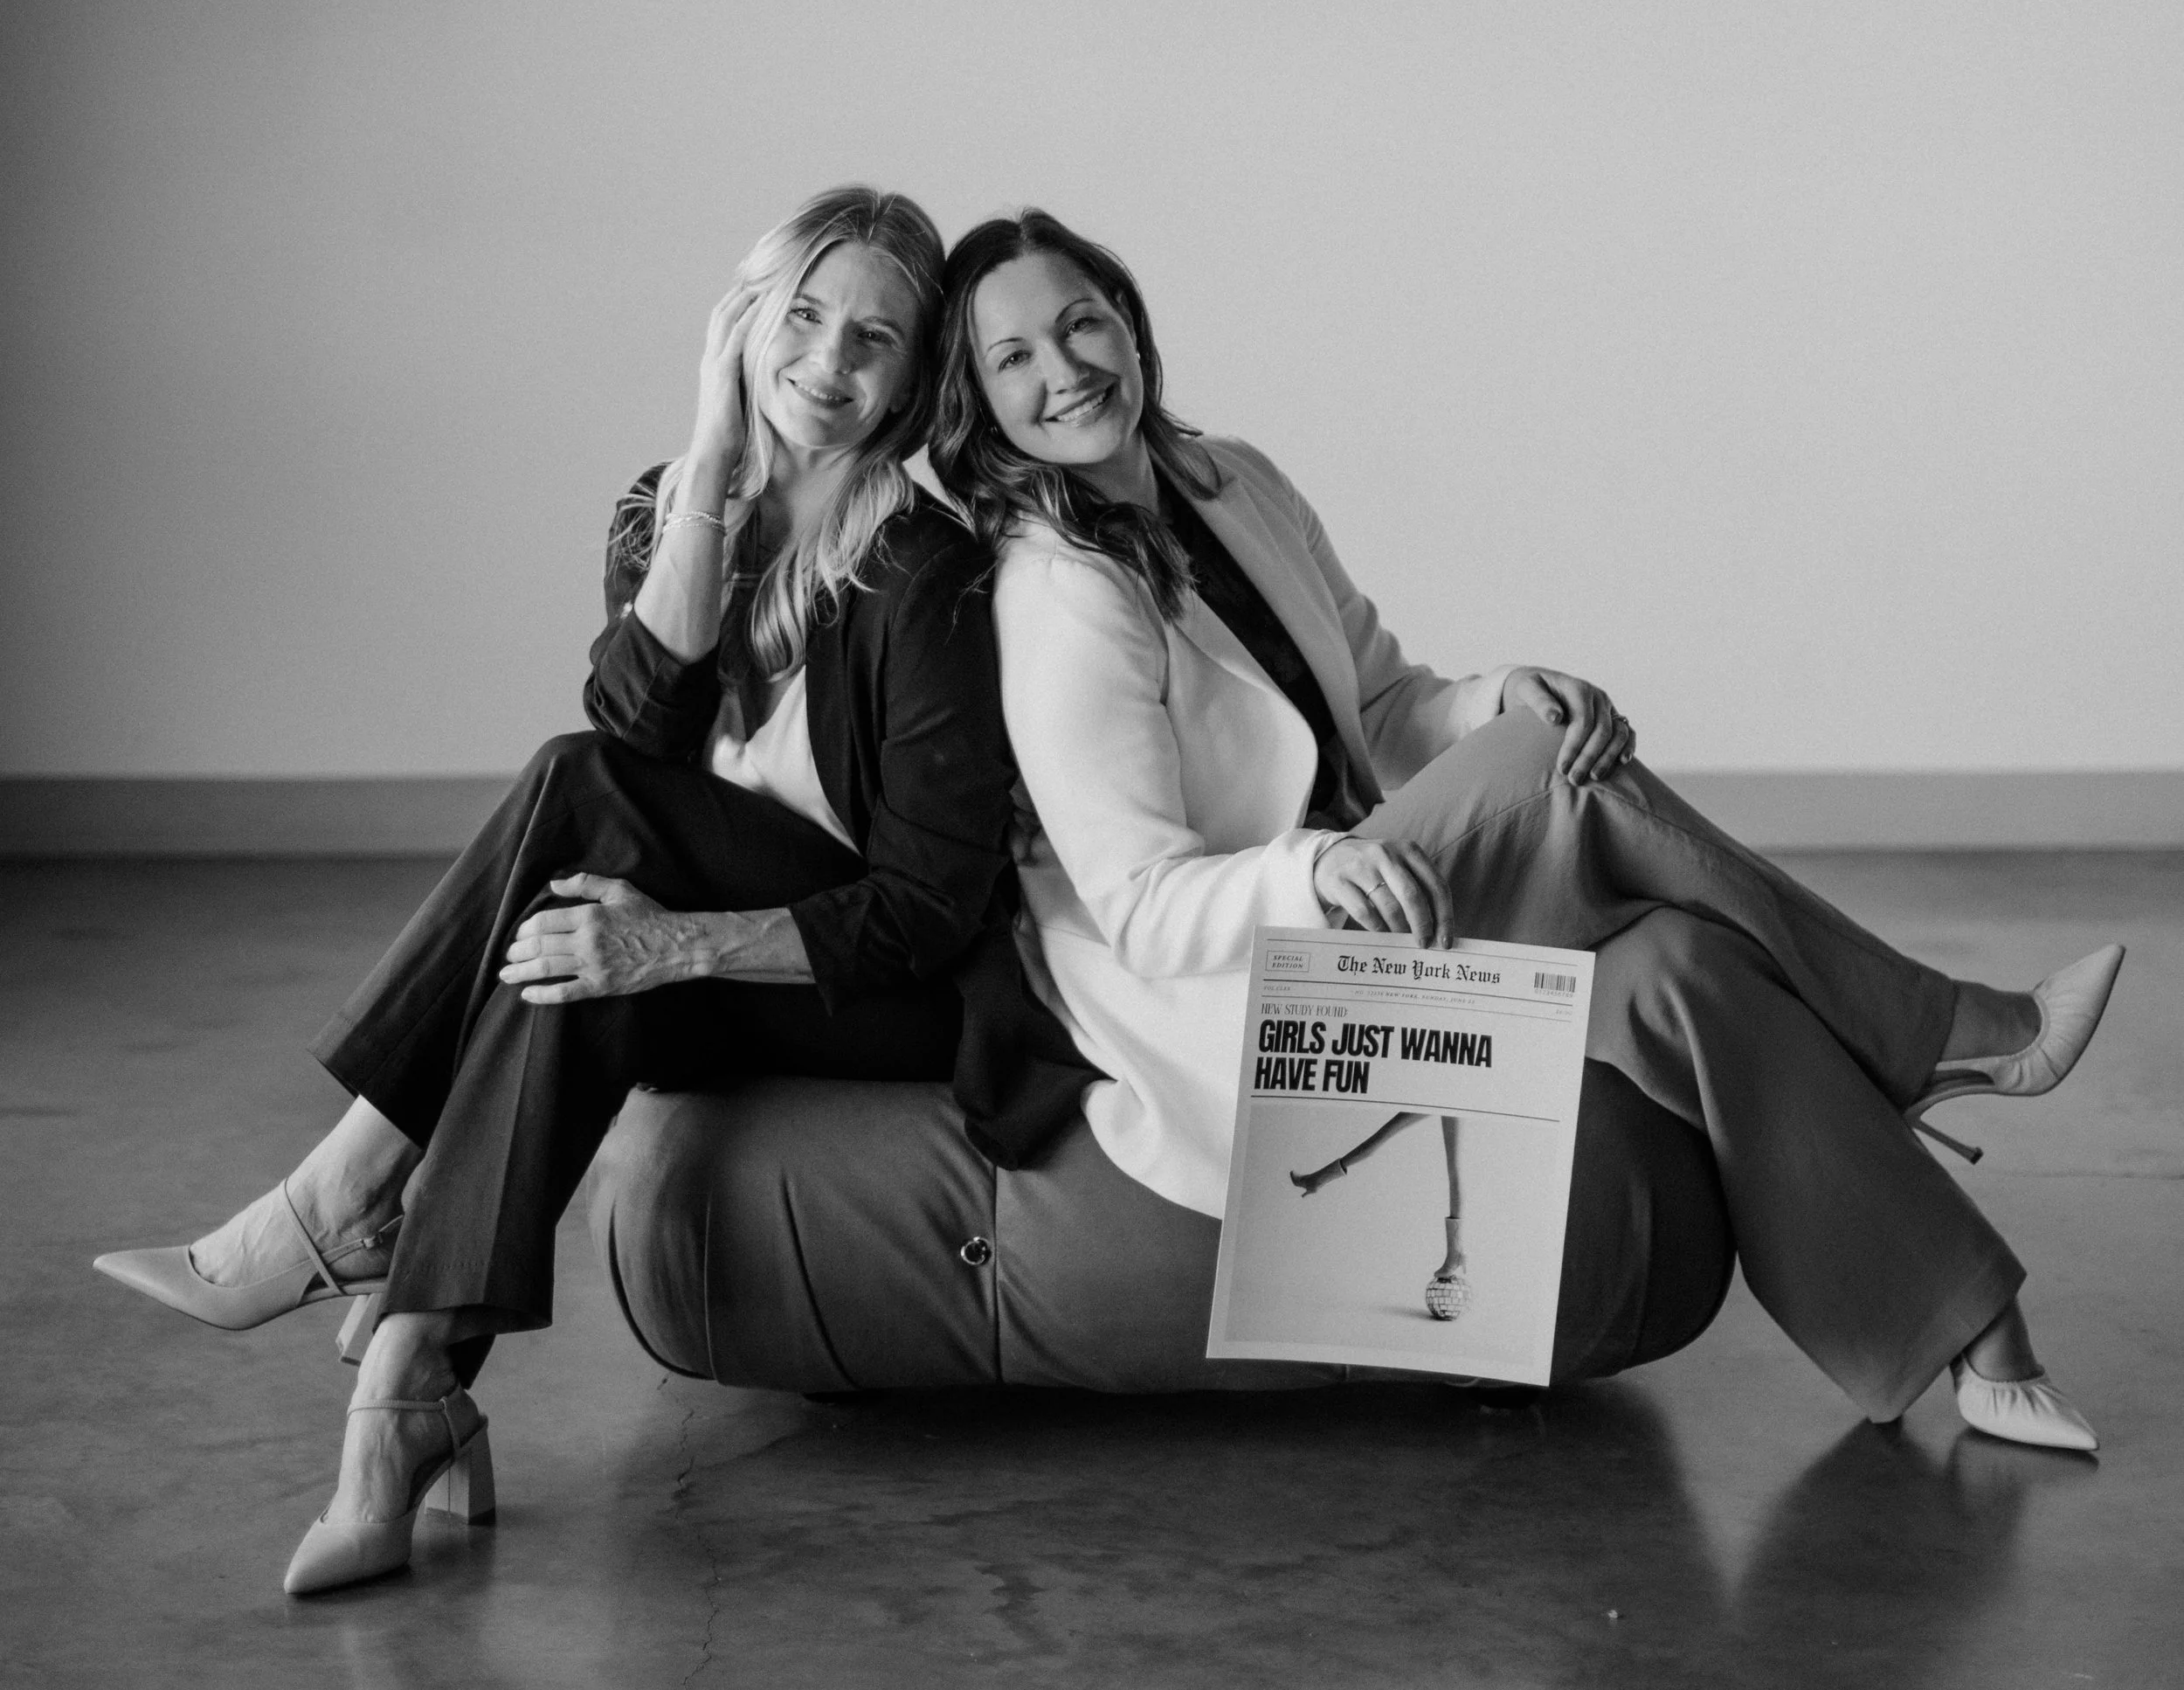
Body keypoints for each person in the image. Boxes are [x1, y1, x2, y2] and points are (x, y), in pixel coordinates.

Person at [924, 206, 2125, 1455]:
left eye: (1082, 322)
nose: (1065, 370)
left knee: (1679, 970)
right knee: (1564, 770)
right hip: (1274, 956)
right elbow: (1140, 904)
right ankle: (1934, 1030)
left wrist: (1493, 695)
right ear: (980, 402)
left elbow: (1385, 701)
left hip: (1392, 877)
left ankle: (1979, 1344)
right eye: (1015, 359)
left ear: (1129, 321)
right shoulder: (1061, 590)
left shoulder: (1234, 481)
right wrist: (1318, 864)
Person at [93, 185, 1075, 1596]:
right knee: (570, 934)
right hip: (727, 958)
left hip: (885, 991)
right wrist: (712, 465)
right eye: (800, 316)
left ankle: (342, 1199)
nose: (828, 362)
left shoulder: (925, 574)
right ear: (746, 321)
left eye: (874, 338)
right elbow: (642, 739)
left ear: (914, 378)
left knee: (586, 842)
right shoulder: (659, 511)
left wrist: (675, 944)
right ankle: (405, 1401)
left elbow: (923, 908)